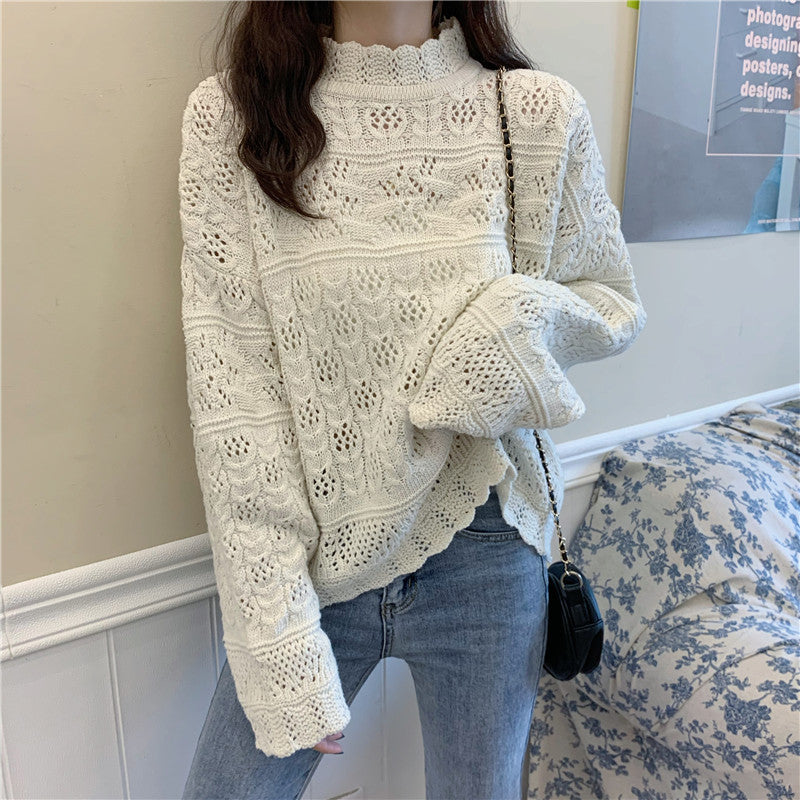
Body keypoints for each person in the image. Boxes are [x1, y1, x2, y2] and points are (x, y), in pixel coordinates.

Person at [178, 2, 646, 798]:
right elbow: (235, 402)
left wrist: (503, 334)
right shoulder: (232, 117)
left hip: (489, 544)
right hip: (316, 567)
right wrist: (280, 639)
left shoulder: (535, 112)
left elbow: (609, 298)